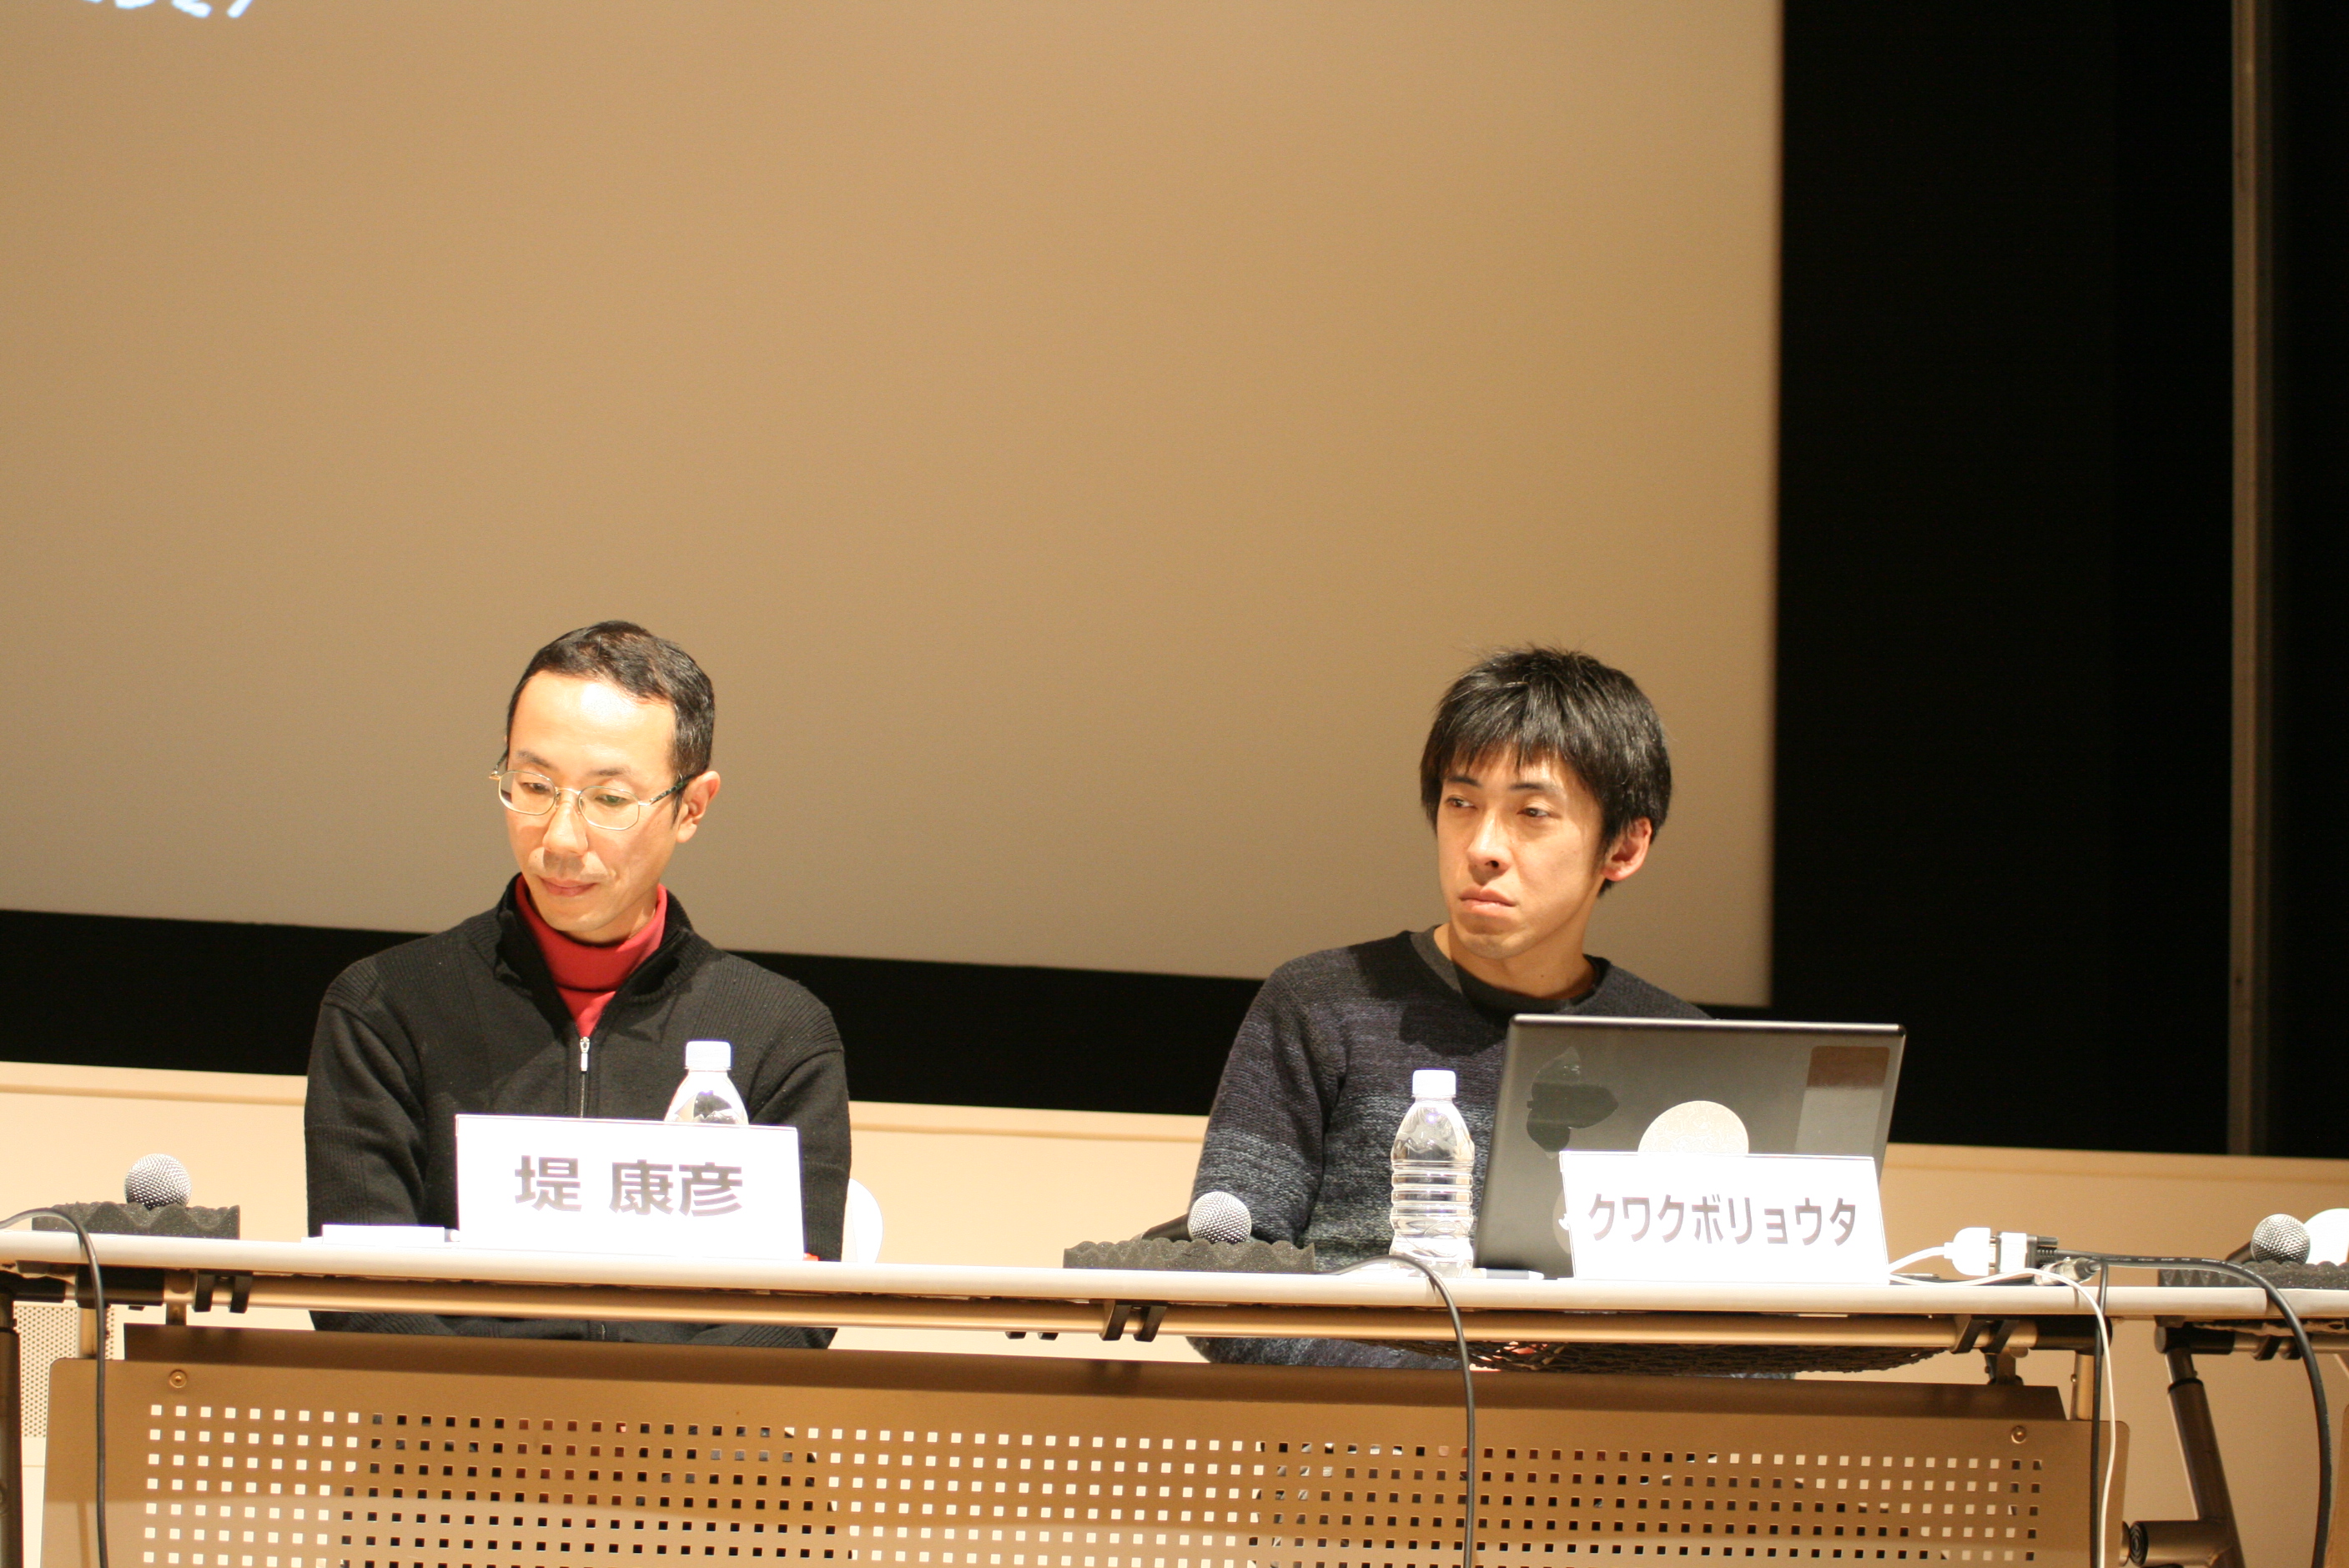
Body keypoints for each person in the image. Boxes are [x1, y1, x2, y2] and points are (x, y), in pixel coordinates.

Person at [304, 621, 849, 1346]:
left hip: (693, 1420)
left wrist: (640, 1411)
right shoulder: (386, 1007)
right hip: (452, 1417)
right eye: (534, 786)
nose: (560, 839)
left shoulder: (778, 1032)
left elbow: (795, 1309)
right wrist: (510, 1409)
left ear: (692, 806)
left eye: (609, 799)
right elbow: (358, 1294)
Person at [1189, 646, 1704, 1367]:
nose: (1484, 847)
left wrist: (1551, 1396)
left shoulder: (1680, 1050)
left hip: (1594, 1435)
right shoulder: (1322, 1004)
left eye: (1532, 813)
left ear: (1623, 847)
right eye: (1462, 804)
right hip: (1355, 1430)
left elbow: (1738, 1331)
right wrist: (1449, 1387)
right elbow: (1222, 1290)